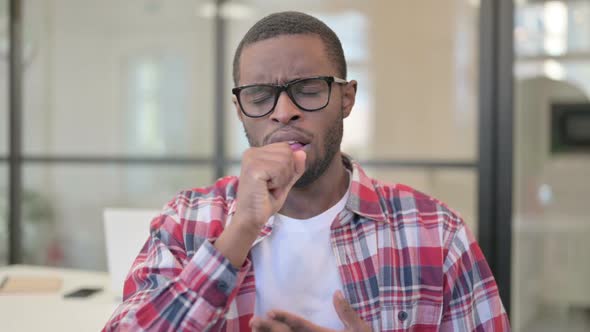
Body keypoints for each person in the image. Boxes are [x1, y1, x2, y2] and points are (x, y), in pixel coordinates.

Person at [103, 11, 510, 332]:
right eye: (260, 96)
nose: (283, 112)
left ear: (346, 98)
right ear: (240, 110)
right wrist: (240, 230)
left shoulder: (434, 232)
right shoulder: (187, 220)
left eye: (309, 90)